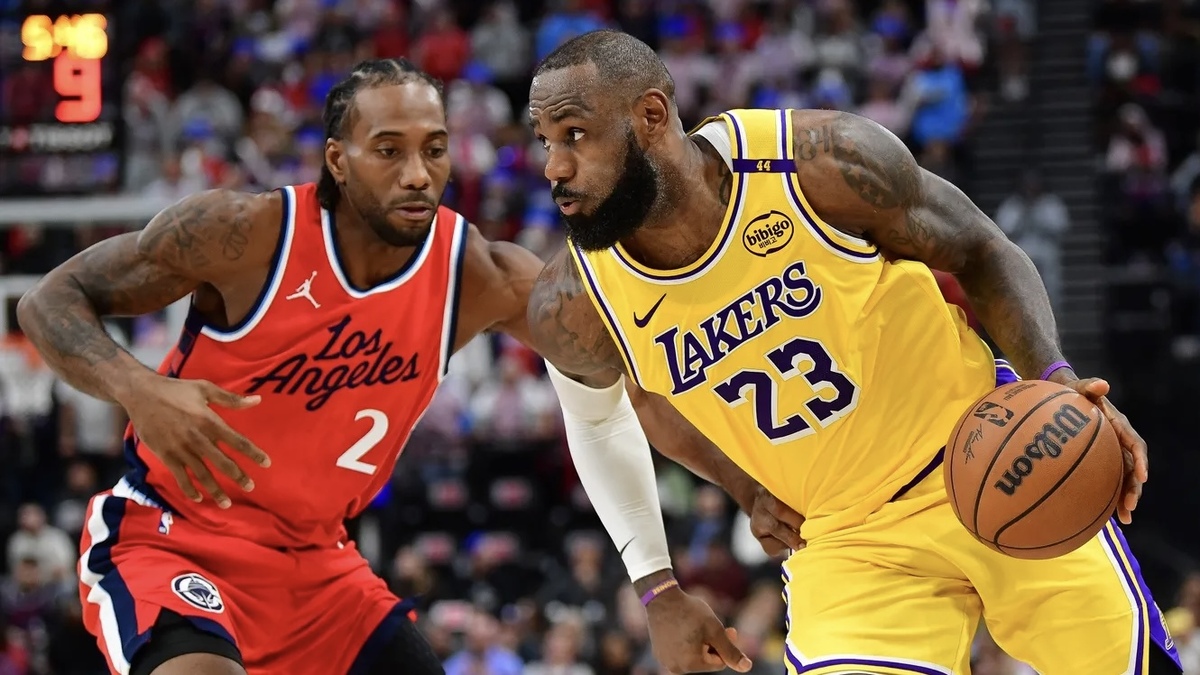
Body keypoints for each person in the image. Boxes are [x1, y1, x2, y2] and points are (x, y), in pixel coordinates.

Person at [16, 58, 769, 675]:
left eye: (434, 148)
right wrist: (140, 389)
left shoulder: (480, 274)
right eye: (390, 150)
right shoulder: (242, 235)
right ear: (339, 161)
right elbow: (52, 301)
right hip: (171, 538)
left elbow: (627, 388)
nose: (417, 173)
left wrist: (736, 497)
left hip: (319, 566)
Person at [524, 30, 1183, 675]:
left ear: (651, 117)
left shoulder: (816, 161)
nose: (554, 166)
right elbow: (620, 406)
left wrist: (1057, 378)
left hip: (989, 448)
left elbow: (979, 247)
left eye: (575, 135)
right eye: (545, 141)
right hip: (843, 540)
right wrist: (703, 534)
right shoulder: (574, 300)